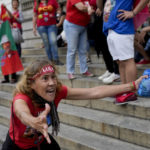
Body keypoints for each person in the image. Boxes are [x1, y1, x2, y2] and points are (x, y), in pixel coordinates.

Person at [1, 58, 147, 150]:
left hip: (41, 141)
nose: (52, 82)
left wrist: (131, 86)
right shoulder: (22, 97)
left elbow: (94, 92)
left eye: (53, 77)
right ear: (31, 83)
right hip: (16, 146)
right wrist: (33, 121)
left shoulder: (58, 91)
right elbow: (20, 111)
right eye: (45, 79)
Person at [97, 0, 149, 103]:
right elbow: (100, 5)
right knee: (120, 61)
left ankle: (131, 92)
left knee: (127, 60)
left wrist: (133, 13)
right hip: (111, 28)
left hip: (122, 27)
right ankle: (123, 89)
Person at [64, 0, 95, 79]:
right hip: (72, 25)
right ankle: (70, 72)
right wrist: (89, 9)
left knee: (83, 50)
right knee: (72, 50)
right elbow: (81, 7)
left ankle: (84, 70)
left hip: (83, 25)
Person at [33, 0, 63, 66]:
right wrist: (34, 28)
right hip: (41, 26)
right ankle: (50, 60)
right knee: (46, 43)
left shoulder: (52, 1)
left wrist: (58, 16)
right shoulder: (36, 2)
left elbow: (58, 9)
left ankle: (56, 59)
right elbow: (35, 16)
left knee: (53, 41)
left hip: (52, 25)